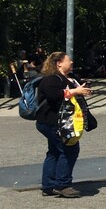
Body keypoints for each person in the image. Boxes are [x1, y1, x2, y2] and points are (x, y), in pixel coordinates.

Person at [36, 52, 94, 198]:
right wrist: (75, 91)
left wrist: (81, 89)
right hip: (53, 121)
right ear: (59, 63)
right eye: (68, 60)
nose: (72, 62)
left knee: (55, 151)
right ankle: (62, 184)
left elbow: (71, 94)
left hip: (62, 121)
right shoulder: (51, 79)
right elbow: (52, 95)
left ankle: (49, 185)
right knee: (69, 149)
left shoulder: (71, 78)